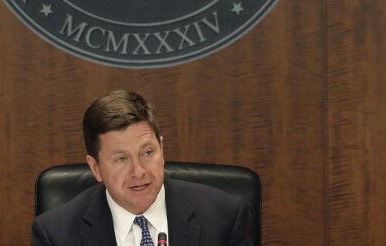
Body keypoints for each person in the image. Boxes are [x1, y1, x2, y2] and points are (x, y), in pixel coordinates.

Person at [31, 90, 252, 245]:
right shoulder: (55, 235)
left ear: (162, 149)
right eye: (121, 159)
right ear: (95, 168)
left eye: (147, 153)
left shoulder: (224, 217)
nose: (139, 171)